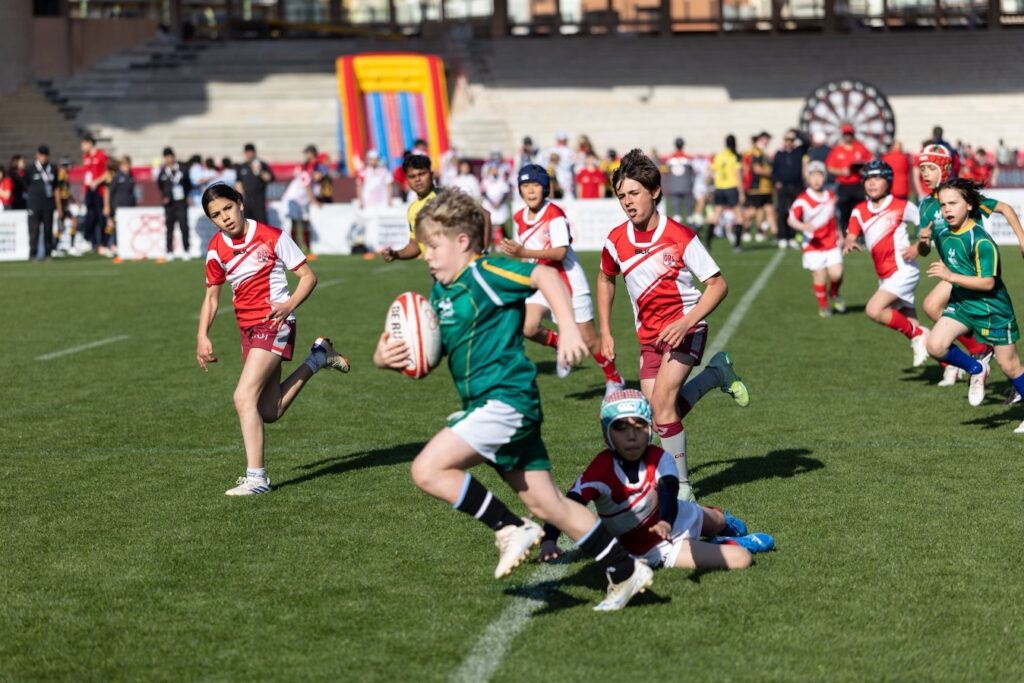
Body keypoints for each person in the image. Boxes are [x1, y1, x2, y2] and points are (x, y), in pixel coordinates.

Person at [372, 189, 654, 611]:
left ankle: (507, 526)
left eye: (433, 245)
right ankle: (625, 569)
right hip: (488, 406)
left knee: (427, 469)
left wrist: (570, 330)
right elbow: (428, 359)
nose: (426, 255)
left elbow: (543, 275)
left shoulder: (485, 271)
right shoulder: (441, 294)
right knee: (549, 504)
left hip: (507, 400)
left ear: (462, 241)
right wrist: (387, 357)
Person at [598, 149, 750, 504]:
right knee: (659, 415)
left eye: (634, 193)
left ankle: (681, 488)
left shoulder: (680, 235)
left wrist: (685, 322)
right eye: (622, 196)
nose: (627, 202)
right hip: (649, 336)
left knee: (664, 405)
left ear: (654, 191)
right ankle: (715, 374)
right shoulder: (615, 240)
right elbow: (606, 279)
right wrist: (605, 330)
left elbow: (718, 284)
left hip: (687, 326)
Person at [196, 184, 350, 496]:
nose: (224, 218)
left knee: (242, 397)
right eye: (216, 215)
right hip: (248, 329)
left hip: (275, 322)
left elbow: (308, 277)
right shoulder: (216, 248)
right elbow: (212, 298)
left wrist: (289, 304)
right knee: (269, 410)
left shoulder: (271, 235)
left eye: (227, 208)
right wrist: (202, 335)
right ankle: (318, 357)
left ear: (240, 203)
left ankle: (257, 478)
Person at [538, 389, 774, 571]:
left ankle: (723, 525)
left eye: (639, 425)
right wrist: (548, 540)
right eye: (620, 427)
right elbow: (568, 504)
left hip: (675, 516)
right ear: (606, 433)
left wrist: (666, 522)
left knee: (724, 521)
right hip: (655, 548)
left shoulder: (659, 457)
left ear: (650, 428)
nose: (631, 435)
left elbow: (668, 490)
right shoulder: (600, 468)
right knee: (742, 560)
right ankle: (729, 543)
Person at [502, 164, 625, 395]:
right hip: (542, 283)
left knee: (589, 339)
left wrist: (523, 253)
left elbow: (559, 252)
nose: (530, 191)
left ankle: (614, 378)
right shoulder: (518, 217)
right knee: (527, 327)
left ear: (546, 188)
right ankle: (561, 343)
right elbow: (523, 255)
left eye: (536, 185)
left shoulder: (554, 214)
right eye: (525, 185)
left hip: (569, 282)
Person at [915, 145, 1024, 395]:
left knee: (1010, 365)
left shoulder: (965, 202)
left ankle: (983, 354)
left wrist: (1022, 238)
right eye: (921, 169)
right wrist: (922, 242)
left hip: (975, 279)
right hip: (956, 276)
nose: (925, 174)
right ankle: (977, 362)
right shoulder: (926, 207)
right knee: (933, 324)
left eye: (930, 168)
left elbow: (1005, 208)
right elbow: (925, 250)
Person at [842, 160, 928, 367]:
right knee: (911, 323)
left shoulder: (903, 205)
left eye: (877, 178)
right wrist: (849, 242)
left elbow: (927, 227)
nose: (872, 183)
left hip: (903, 270)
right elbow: (851, 235)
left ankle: (918, 335)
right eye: (868, 178)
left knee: (873, 309)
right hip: (885, 276)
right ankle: (950, 363)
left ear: (888, 182)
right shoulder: (859, 210)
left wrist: (918, 247)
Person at [788, 161, 843, 317]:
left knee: (837, 274)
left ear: (825, 177)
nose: (817, 179)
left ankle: (834, 292)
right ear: (808, 178)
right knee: (819, 275)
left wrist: (840, 233)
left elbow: (835, 217)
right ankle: (824, 306)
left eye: (820, 175)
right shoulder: (802, 200)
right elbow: (791, 220)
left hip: (831, 242)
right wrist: (803, 227)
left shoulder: (831, 195)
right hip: (813, 245)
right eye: (813, 175)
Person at [380, 153, 437, 262]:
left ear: (432, 174)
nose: (417, 179)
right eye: (412, 176)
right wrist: (396, 254)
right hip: (438, 273)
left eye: (422, 174)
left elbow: (479, 215)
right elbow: (415, 245)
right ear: (407, 180)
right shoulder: (413, 209)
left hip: (459, 272)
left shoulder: (445, 198)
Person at [826, 123, 873, 235]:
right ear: (843, 135)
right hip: (844, 185)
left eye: (850, 134)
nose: (848, 136)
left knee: (860, 209)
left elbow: (869, 161)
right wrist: (842, 171)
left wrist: (862, 169)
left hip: (858, 183)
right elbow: (829, 167)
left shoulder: (860, 148)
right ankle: (845, 232)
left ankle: (861, 233)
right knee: (844, 209)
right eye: (846, 134)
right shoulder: (837, 150)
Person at [25, 145, 61, 261]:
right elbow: (25, 185)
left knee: (48, 230)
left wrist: (59, 207)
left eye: (45, 155)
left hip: (48, 205)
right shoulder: (30, 169)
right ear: (37, 155)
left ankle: (48, 254)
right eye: (41, 155)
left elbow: (56, 188)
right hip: (34, 205)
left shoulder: (53, 168)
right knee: (34, 230)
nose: (43, 158)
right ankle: (33, 254)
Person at [156, 147, 192, 262]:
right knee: (169, 228)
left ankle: (186, 250)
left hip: (181, 203)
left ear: (173, 156)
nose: (168, 159)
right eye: (166, 157)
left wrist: (186, 196)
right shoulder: (163, 172)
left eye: (170, 156)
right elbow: (160, 186)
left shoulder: (183, 170)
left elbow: (188, 184)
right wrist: (165, 196)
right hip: (169, 205)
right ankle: (169, 251)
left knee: (184, 227)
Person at [772, 129, 806, 250]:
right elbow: (774, 170)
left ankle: (792, 237)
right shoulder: (779, 154)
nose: (789, 142)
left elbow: (806, 141)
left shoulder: (798, 152)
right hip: (784, 186)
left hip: (796, 186)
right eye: (787, 139)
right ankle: (782, 237)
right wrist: (777, 181)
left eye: (791, 140)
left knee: (795, 213)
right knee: (782, 212)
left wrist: (796, 133)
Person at [742, 131, 775, 244]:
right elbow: (755, 169)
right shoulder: (754, 152)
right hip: (755, 186)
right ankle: (741, 226)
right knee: (752, 210)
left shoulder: (760, 152)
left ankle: (759, 230)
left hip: (764, 187)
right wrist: (773, 173)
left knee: (761, 209)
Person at [78, 135, 107, 250]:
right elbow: (86, 176)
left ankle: (104, 243)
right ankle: (91, 242)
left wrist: (97, 181)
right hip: (89, 191)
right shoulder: (86, 157)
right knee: (90, 217)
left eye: (83, 144)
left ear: (89, 143)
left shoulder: (101, 155)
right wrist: (83, 191)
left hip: (99, 191)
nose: (82, 147)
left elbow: (107, 173)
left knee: (101, 217)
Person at [104, 155, 136, 258]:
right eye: (126, 164)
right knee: (115, 227)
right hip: (118, 207)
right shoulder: (117, 177)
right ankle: (110, 245)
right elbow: (108, 192)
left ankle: (121, 246)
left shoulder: (130, 177)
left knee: (125, 228)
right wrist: (107, 206)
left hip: (128, 207)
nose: (128, 167)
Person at [235, 143, 275, 225]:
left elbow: (270, 178)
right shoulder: (242, 166)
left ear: (254, 152)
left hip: (259, 200)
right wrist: (240, 197)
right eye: (247, 152)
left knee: (262, 224)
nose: (249, 154)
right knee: (247, 224)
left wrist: (259, 171)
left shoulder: (262, 165)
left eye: (251, 152)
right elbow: (238, 182)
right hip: (246, 201)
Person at [663, 138, 695, 222]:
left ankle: (676, 231)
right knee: (689, 211)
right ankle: (691, 230)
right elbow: (693, 172)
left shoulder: (670, 159)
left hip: (674, 187)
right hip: (686, 187)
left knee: (676, 212)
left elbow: (666, 172)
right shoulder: (688, 159)